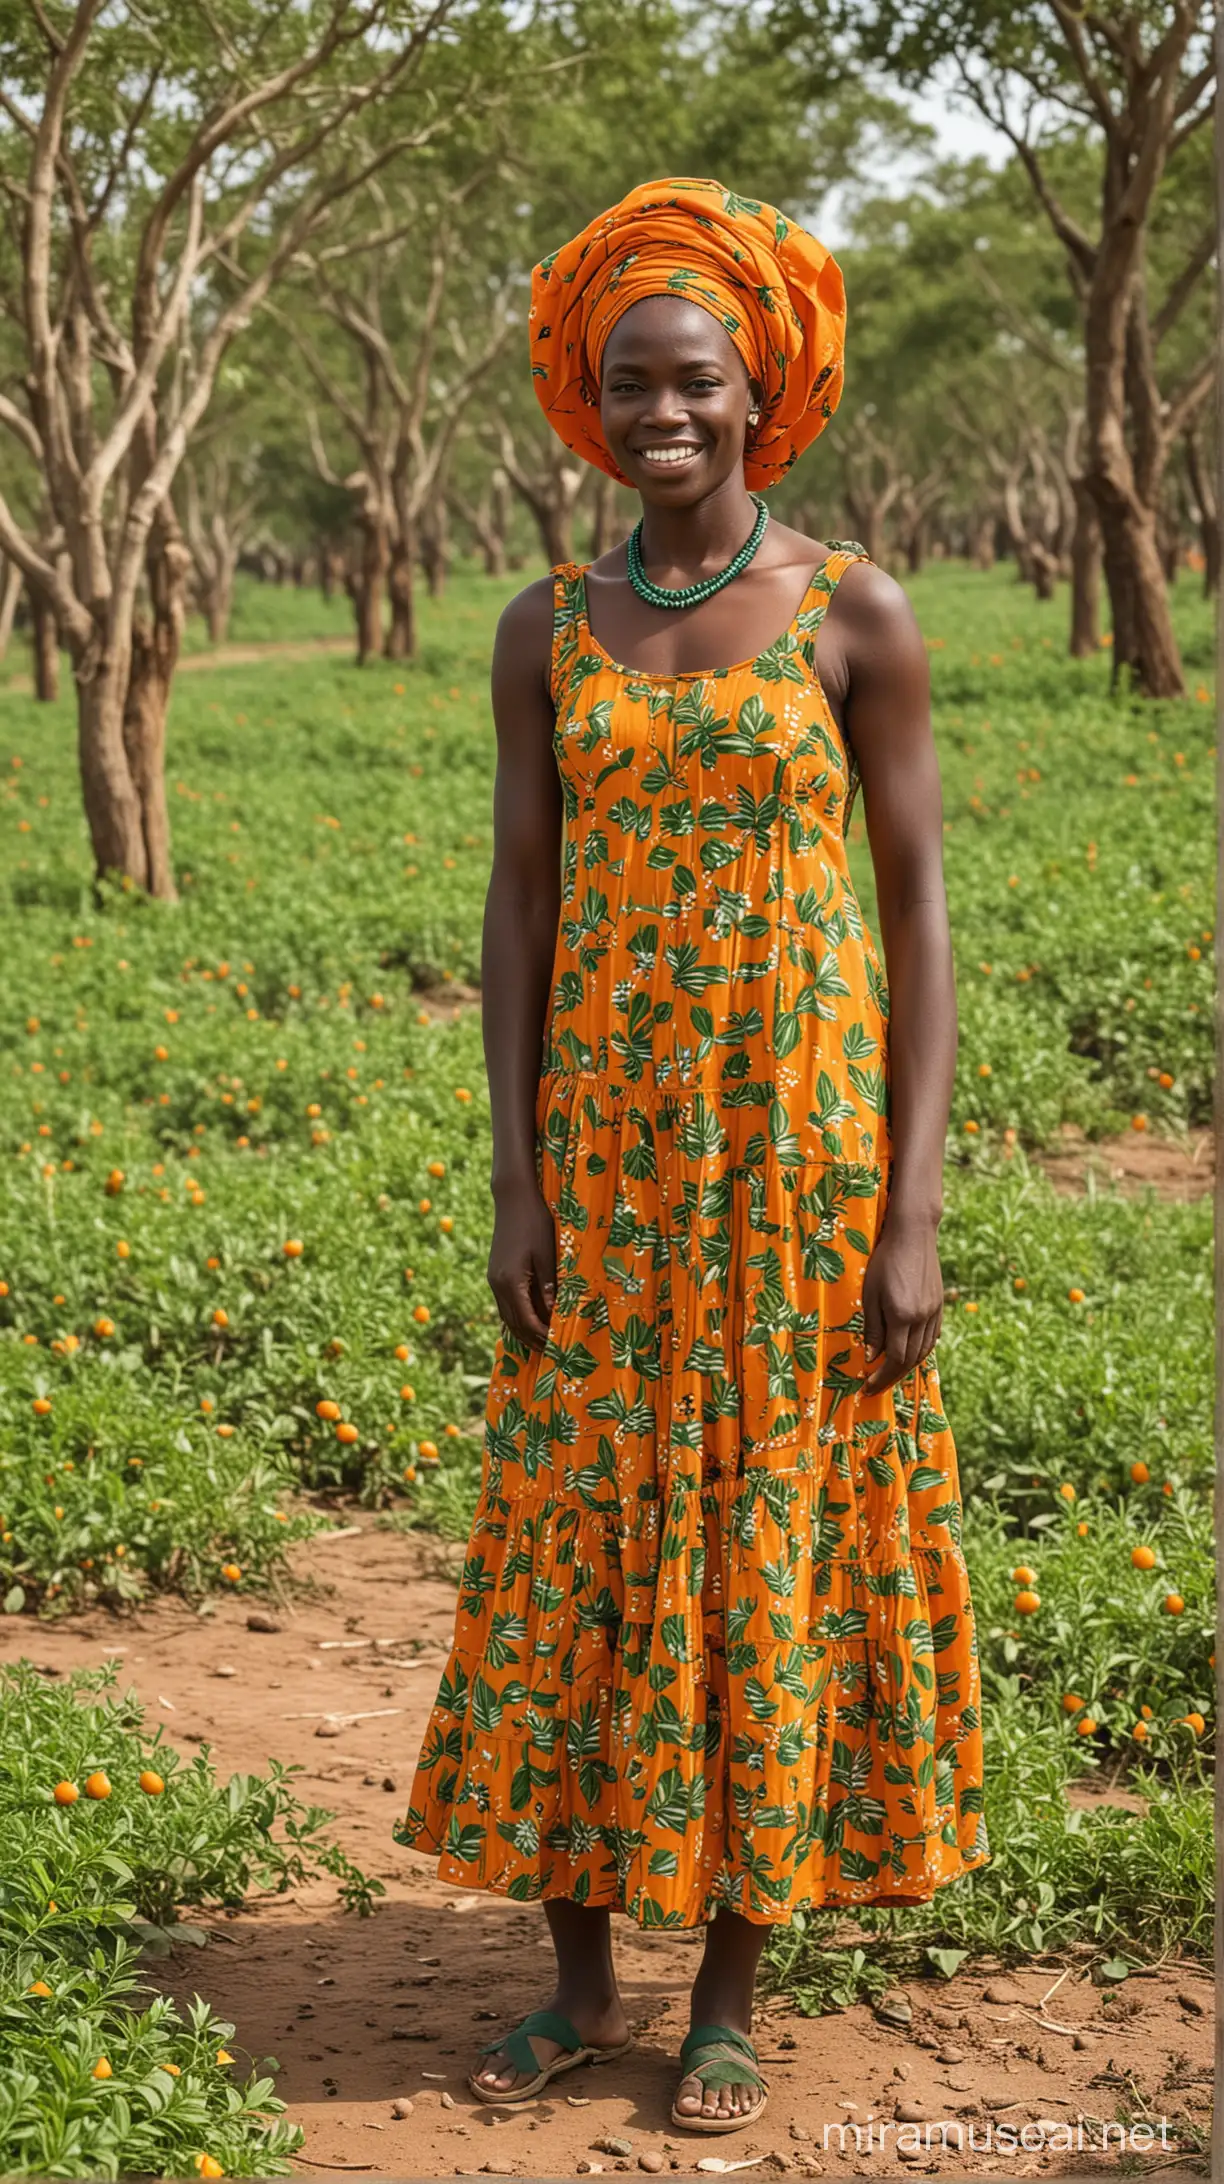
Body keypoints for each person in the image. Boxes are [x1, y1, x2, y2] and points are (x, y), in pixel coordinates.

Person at [396, 176, 988, 2136]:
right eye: (629, 383)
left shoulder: (854, 614)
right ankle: (576, 1984)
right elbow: (516, 904)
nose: (663, 411)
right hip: (611, 1184)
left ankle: (727, 1994)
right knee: (580, 1548)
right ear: (594, 402)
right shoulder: (544, 627)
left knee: (760, 1550)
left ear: (762, 395)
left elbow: (917, 920)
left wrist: (909, 1211)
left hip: (797, 1184)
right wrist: (514, 1173)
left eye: (698, 382)